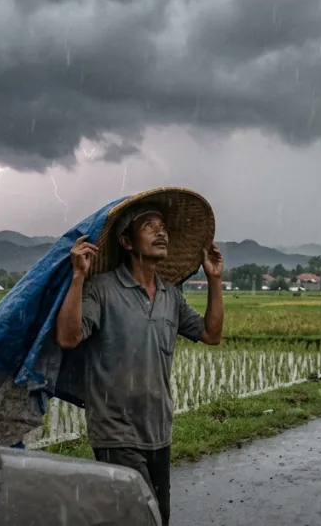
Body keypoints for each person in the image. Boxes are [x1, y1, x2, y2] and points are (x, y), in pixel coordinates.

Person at [55, 202, 226, 526]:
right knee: (142, 519)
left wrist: (214, 280)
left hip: (158, 430)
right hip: (115, 432)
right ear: (127, 242)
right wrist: (79, 276)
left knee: (157, 518)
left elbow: (211, 334)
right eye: (149, 225)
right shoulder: (101, 289)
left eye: (163, 227)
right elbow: (68, 337)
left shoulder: (170, 296)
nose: (161, 231)